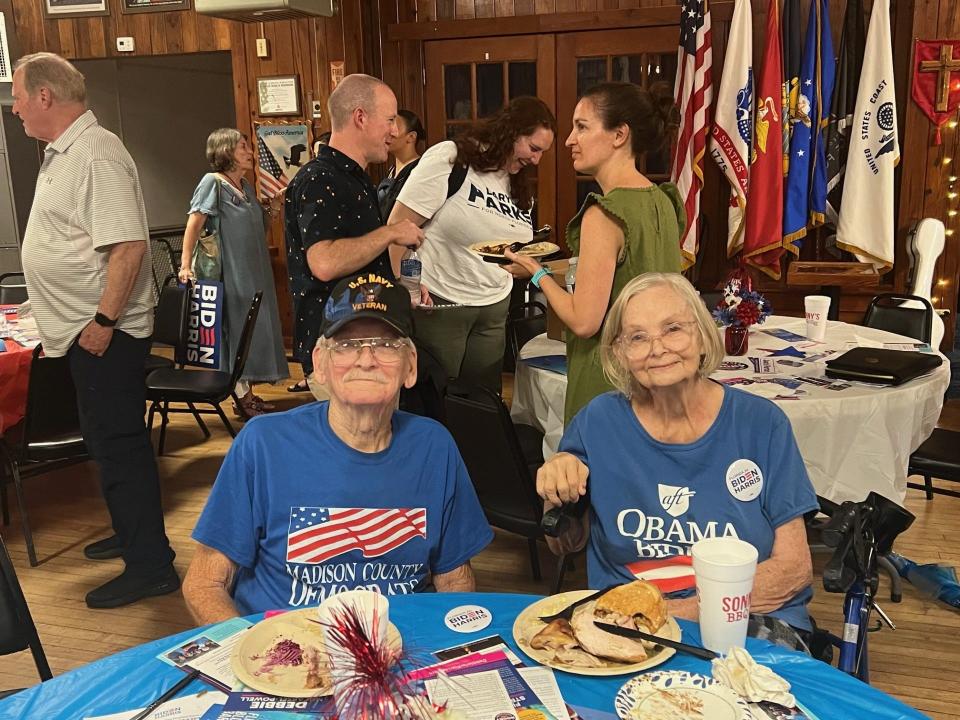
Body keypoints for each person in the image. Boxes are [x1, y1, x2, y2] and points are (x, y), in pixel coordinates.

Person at [182, 274, 493, 623]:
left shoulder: (435, 446)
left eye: (386, 344)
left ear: (411, 366)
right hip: (286, 651)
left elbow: (454, 579)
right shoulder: (263, 443)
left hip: (399, 648)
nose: (366, 359)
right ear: (320, 364)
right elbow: (205, 583)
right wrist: (256, 658)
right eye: (346, 345)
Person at [536, 273, 818, 648]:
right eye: (637, 337)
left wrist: (669, 615)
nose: (657, 348)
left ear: (701, 335)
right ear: (619, 352)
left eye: (673, 329)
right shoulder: (598, 421)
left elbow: (794, 571)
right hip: (624, 627)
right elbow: (565, 544)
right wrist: (557, 493)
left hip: (745, 619)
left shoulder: (761, 424)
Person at [12, 52, 178, 608]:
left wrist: (105, 322)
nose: (13, 108)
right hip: (82, 333)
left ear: (44, 97)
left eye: (17, 96)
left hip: (104, 334)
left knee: (121, 447)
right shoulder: (63, 153)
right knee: (108, 447)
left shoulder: (98, 153)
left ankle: (151, 565)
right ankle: (133, 537)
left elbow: (129, 246)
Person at [505, 82, 684, 422]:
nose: (570, 140)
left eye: (582, 127)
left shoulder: (604, 214)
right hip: (657, 378)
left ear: (619, 135)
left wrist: (538, 273)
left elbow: (584, 322)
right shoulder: (664, 200)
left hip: (608, 382)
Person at [388, 97, 556, 392]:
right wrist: (402, 287)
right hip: (440, 304)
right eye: (534, 148)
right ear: (511, 132)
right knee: (435, 400)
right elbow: (397, 227)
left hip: (493, 308)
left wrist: (523, 265)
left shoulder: (518, 184)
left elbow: (509, 247)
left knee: (482, 404)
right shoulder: (452, 158)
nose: (536, 160)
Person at [285, 75, 424, 399]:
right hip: (339, 350)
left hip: (363, 343)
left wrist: (396, 288)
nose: (394, 131)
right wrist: (391, 232)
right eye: (390, 120)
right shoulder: (320, 178)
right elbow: (324, 262)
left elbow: (359, 264)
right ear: (360, 117)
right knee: (358, 447)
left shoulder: (354, 178)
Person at [178, 128, 288, 419]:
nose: (250, 152)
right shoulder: (212, 183)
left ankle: (248, 393)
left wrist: (274, 206)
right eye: (243, 147)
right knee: (235, 328)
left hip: (255, 268)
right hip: (232, 270)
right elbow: (194, 223)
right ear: (226, 150)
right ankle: (240, 398)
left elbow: (258, 228)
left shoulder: (246, 186)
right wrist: (185, 264)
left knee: (252, 329)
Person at [377, 109, 425, 217]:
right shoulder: (392, 170)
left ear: (411, 137)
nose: (389, 133)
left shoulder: (420, 169)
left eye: (395, 128)